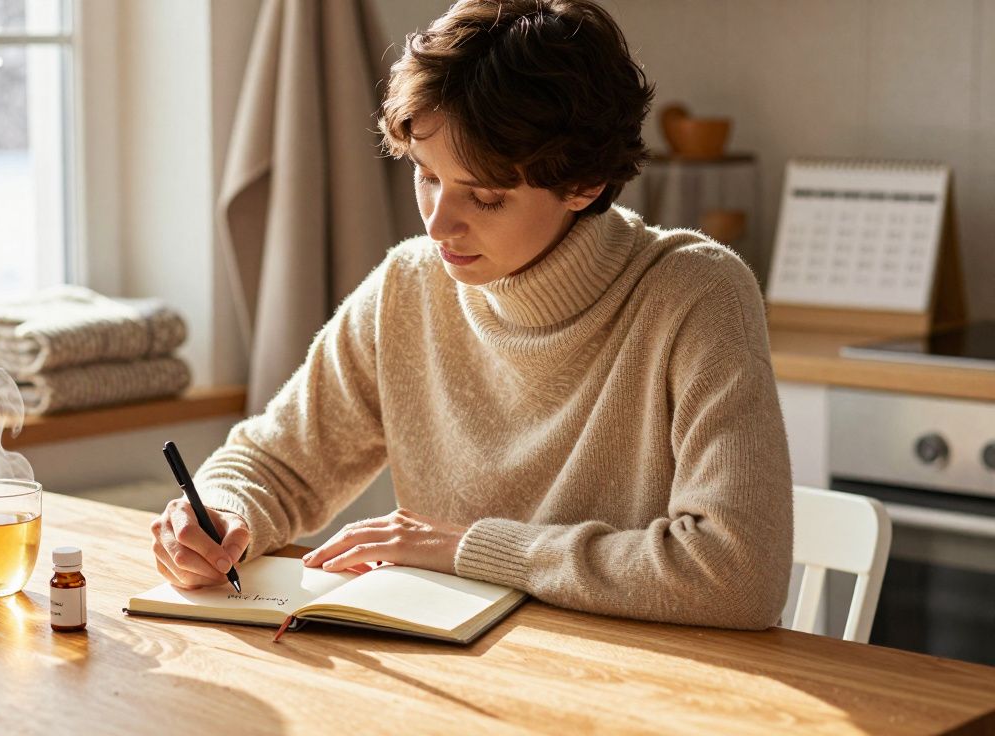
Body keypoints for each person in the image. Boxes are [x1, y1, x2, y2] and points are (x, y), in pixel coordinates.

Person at [149, 0, 792, 630]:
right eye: (427, 176)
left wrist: (470, 549)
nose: (437, 224)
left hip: (640, 674)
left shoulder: (696, 294)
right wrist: (220, 515)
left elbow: (736, 574)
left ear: (584, 185)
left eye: (484, 196)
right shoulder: (408, 286)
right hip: (459, 667)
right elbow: (277, 463)